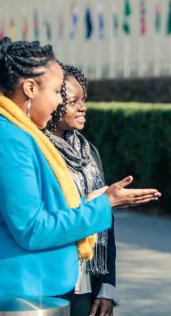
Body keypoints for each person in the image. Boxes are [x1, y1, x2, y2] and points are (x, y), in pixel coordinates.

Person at [0, 38, 161, 300]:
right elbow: (33, 230)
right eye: (58, 91)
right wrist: (102, 206)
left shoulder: (1, 131)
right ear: (31, 88)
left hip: (21, 285)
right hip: (15, 287)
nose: (60, 102)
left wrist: (89, 202)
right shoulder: (9, 140)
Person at [44, 64, 121, 316]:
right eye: (73, 101)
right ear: (53, 102)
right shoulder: (39, 153)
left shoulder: (89, 153)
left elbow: (106, 221)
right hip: (52, 284)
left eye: (83, 99)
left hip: (91, 284)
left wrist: (108, 285)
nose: (82, 107)